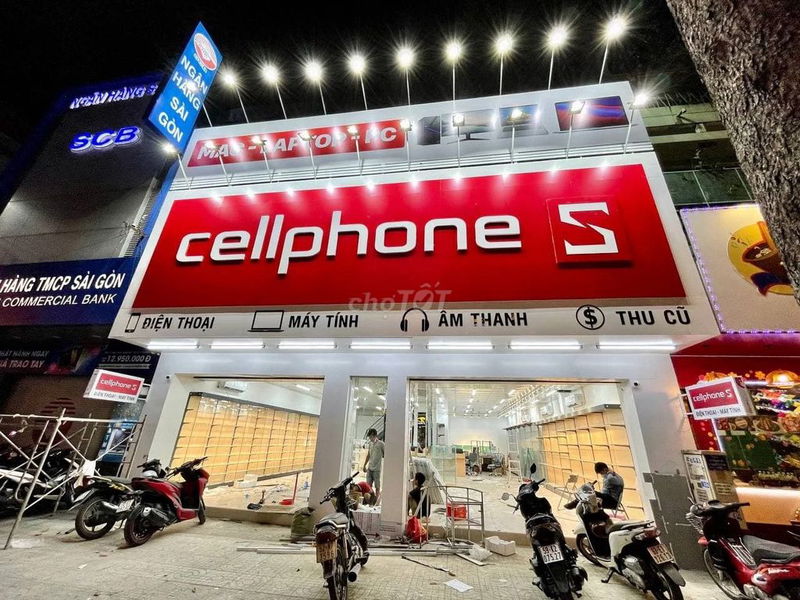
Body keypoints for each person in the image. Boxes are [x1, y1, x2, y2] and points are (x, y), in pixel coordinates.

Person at [363, 428, 385, 501]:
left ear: (374, 435)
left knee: (377, 486)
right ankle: (370, 500)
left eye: (370, 436)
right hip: (370, 468)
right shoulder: (370, 444)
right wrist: (364, 465)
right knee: (368, 486)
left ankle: (376, 501)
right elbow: (368, 455)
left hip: (377, 469)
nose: (370, 438)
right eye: (369, 437)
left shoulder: (381, 444)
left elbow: (386, 454)